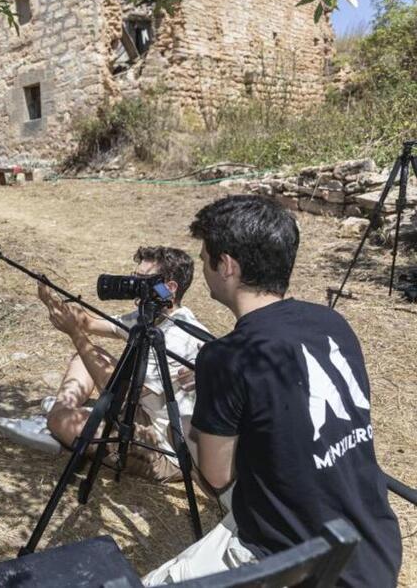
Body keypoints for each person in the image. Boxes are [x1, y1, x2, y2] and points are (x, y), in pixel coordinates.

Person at [144, 195, 401, 586]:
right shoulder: (332, 323)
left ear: (227, 265)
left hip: (299, 562)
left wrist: (198, 414)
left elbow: (215, 477)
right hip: (374, 548)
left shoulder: (225, 357)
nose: (204, 268)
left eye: (205, 257)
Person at [0, 246, 207, 484]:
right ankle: (62, 410)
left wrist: (75, 334)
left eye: (141, 281)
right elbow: (94, 323)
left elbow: (116, 391)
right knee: (85, 357)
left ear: (169, 288)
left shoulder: (179, 336)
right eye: (133, 278)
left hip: (164, 447)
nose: (133, 285)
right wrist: (54, 302)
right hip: (143, 410)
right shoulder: (154, 312)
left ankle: (54, 422)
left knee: (62, 419)